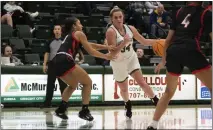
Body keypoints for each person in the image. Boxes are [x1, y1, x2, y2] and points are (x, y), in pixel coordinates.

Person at [147, 2, 212, 130]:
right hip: (191, 49)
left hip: (173, 51)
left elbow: (167, 40)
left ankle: (153, 124)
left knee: (168, 91)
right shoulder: (206, 13)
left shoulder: (178, 11)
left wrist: (163, 59)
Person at [53, 17, 114, 121]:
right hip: (65, 58)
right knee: (88, 83)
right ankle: (84, 110)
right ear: (74, 26)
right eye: (79, 23)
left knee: (73, 85)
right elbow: (91, 51)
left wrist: (107, 47)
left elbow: (91, 45)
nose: (82, 26)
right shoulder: (79, 33)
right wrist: (106, 56)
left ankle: (61, 109)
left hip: (55, 62)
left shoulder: (70, 36)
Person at [105, 6, 159, 119]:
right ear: (112, 19)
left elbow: (143, 41)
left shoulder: (130, 28)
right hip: (118, 62)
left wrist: (158, 41)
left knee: (142, 83)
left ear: (123, 17)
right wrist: (124, 42)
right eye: (116, 17)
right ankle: (128, 104)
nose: (119, 19)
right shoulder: (110, 32)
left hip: (131, 58)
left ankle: (156, 101)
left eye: (120, 17)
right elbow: (112, 53)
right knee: (124, 89)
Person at [41, 25, 67, 108]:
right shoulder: (49, 41)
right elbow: (46, 53)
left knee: (63, 85)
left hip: (62, 65)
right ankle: (47, 103)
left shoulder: (65, 41)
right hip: (52, 65)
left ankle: (64, 103)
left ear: (61, 31)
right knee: (50, 85)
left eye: (58, 29)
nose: (57, 30)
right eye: (55, 29)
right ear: (53, 31)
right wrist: (45, 64)